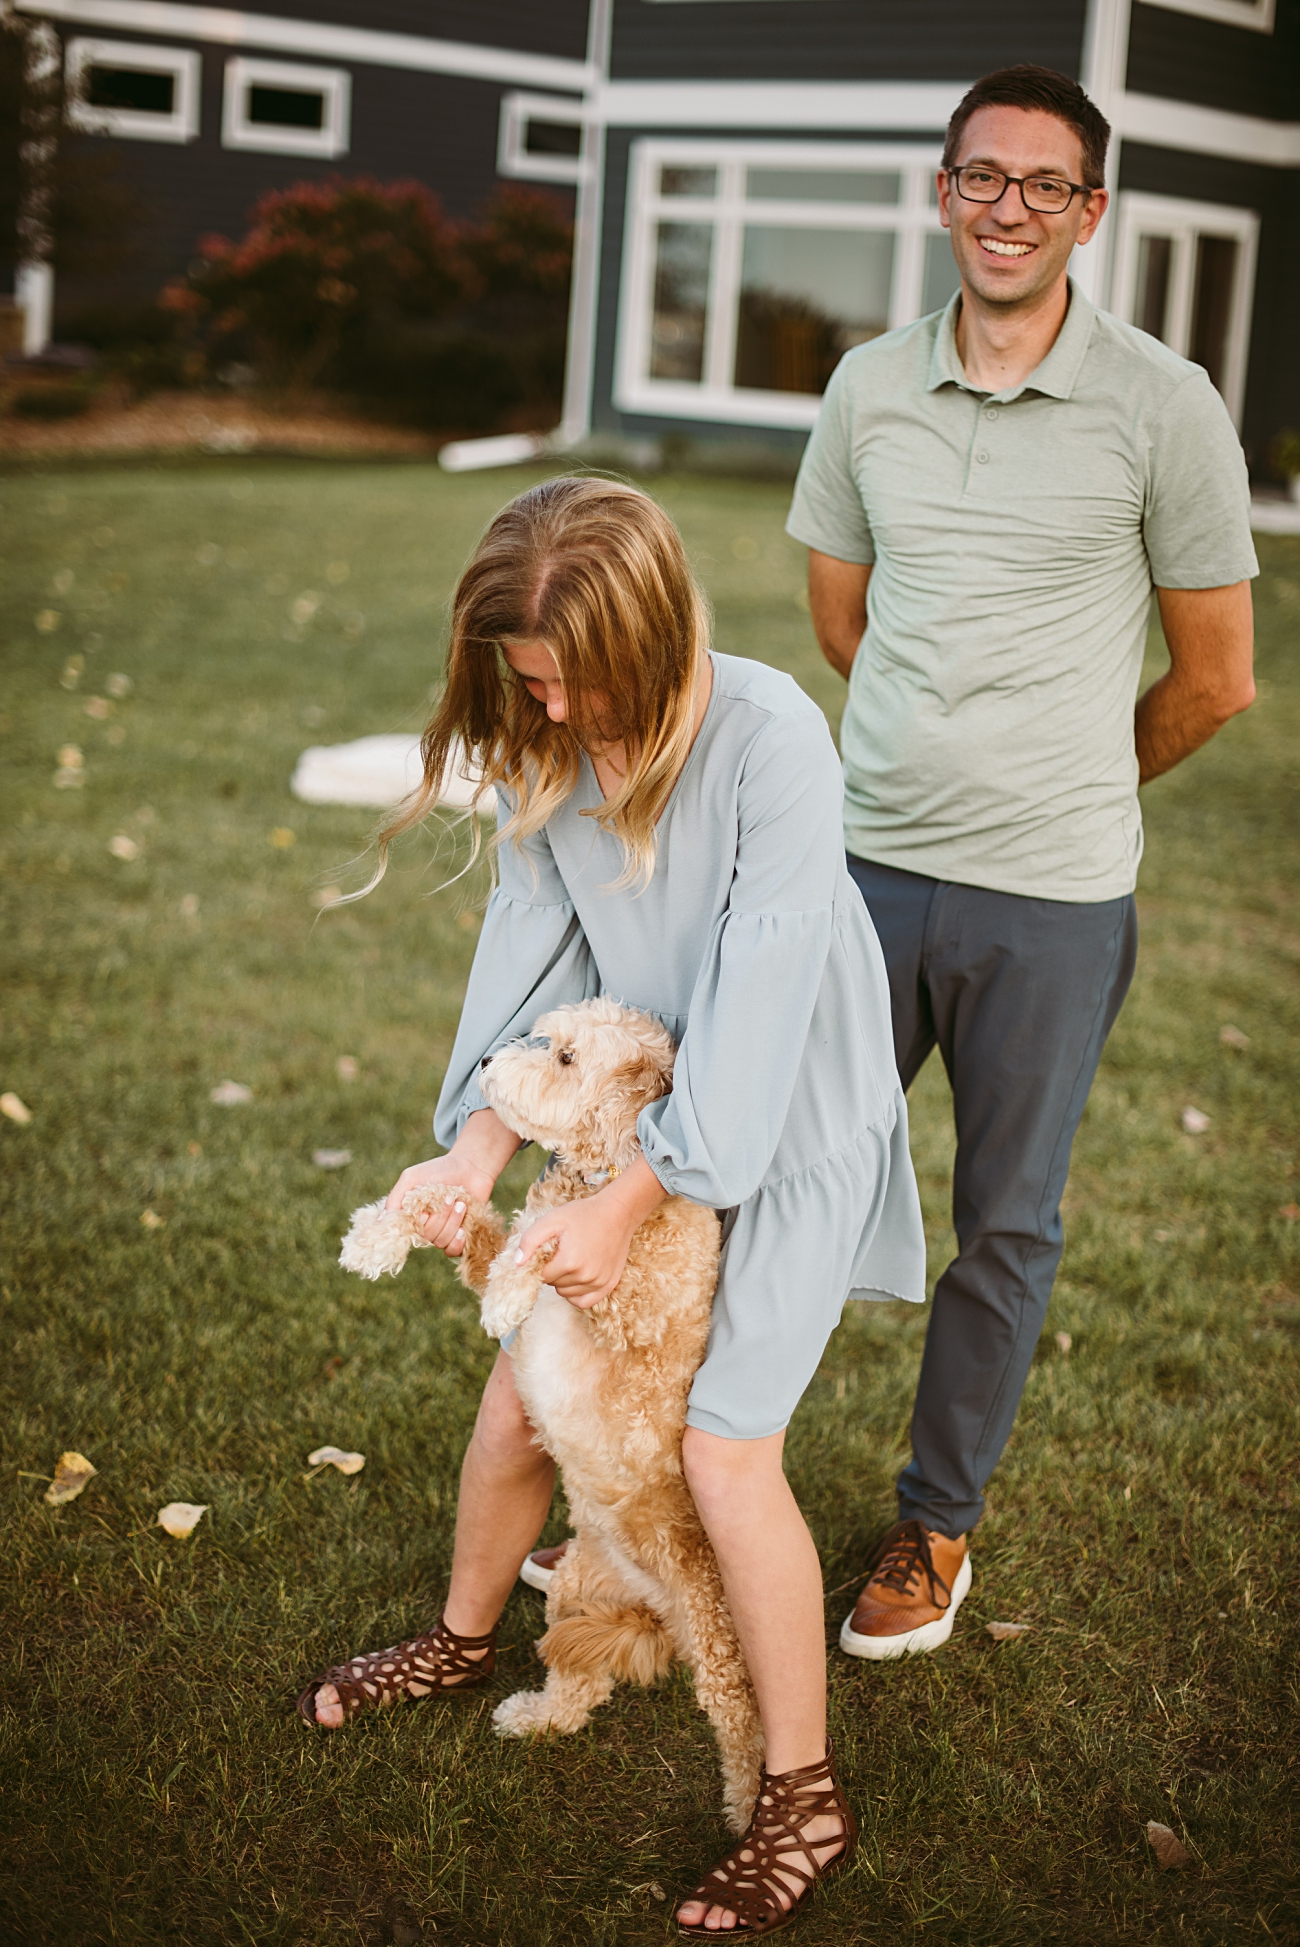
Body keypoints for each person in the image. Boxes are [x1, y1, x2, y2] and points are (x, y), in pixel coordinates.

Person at [295, 476, 927, 1935]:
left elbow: (760, 1011)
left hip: (782, 1138)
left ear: (657, 635)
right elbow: (531, 962)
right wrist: (472, 1159)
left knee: (723, 1452)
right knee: (526, 1404)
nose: (561, 711)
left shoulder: (773, 739)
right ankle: (461, 1642)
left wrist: (634, 1199)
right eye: (531, 684)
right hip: (633, 1127)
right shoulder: (549, 749)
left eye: (581, 682)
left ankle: (804, 1795)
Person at [783, 63, 1258, 1659]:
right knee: (776, 1176)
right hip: (863, 873)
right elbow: (844, 618)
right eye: (982, 176)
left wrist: (1067, 783)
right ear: (943, 192)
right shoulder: (868, 387)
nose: (1009, 208)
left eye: (1046, 184)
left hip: (1053, 901)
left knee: (1003, 1223)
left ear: (1091, 212)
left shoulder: (1165, 405)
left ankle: (935, 1525)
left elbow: (1218, 679)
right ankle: (698, 1479)